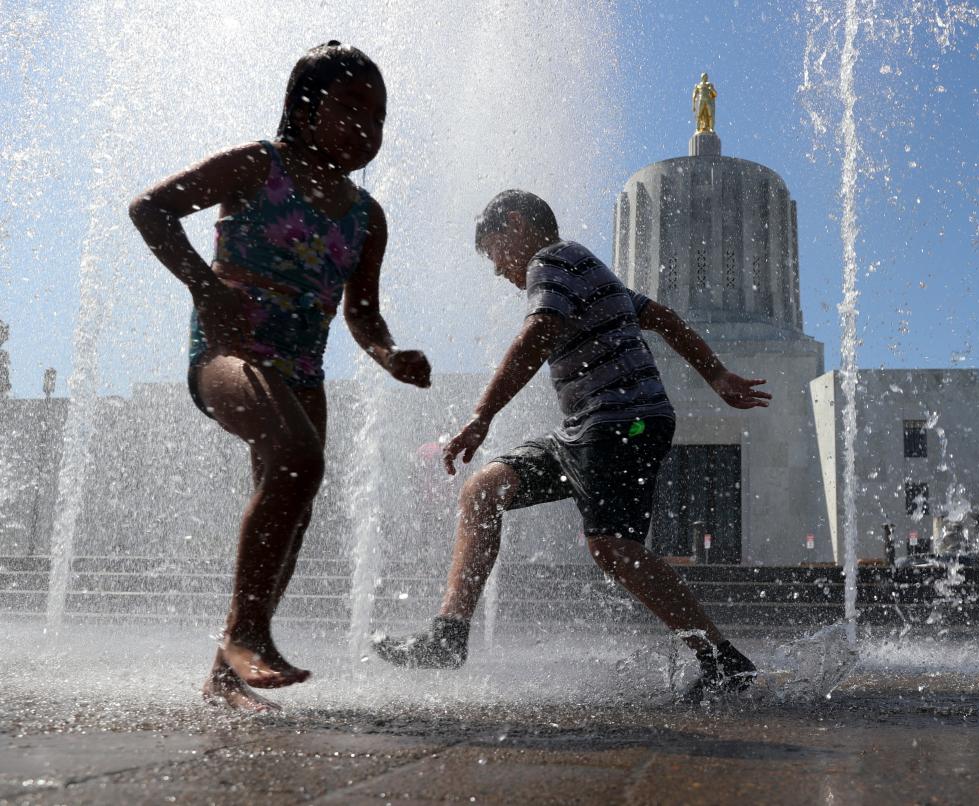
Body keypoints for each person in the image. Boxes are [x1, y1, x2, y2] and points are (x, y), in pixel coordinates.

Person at [129, 42, 431, 712]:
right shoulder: (255, 166)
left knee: (291, 506)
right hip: (228, 357)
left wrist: (389, 355)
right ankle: (246, 632)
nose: (366, 126)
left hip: (304, 374)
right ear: (303, 105)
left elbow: (364, 313)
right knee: (298, 461)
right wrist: (205, 288)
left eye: (378, 116)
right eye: (349, 106)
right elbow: (150, 208)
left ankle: (225, 675)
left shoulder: (366, 216)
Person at [374, 189, 767, 701]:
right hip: (583, 429)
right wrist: (715, 375)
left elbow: (538, 334)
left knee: (613, 549)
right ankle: (448, 636)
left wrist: (482, 416)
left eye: (493, 252)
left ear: (515, 225)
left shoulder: (552, 259)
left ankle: (722, 660)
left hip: (624, 421)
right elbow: (663, 316)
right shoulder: (586, 267)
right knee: (483, 490)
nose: (498, 271)